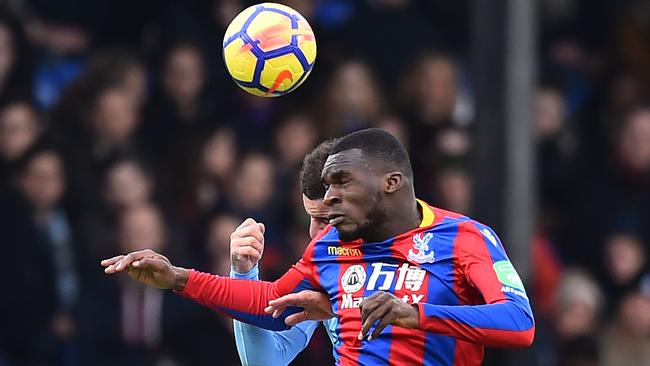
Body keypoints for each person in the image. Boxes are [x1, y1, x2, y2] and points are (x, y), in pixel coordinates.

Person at [102, 128, 535, 365]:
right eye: (326, 188)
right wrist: (178, 277)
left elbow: (519, 324)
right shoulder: (331, 244)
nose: (329, 200)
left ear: (391, 183)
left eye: (342, 184)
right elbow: (271, 303)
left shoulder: (466, 237)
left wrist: (416, 315)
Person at [229, 139, 338, 365]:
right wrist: (244, 275)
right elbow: (266, 361)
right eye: (311, 217)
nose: (313, 232)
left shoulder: (427, 253)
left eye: (326, 220)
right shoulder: (323, 270)